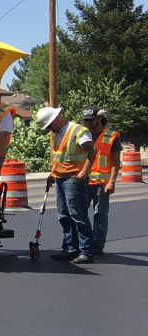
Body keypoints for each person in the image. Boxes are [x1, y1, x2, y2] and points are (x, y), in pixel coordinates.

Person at [34, 107, 97, 263]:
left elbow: (93, 149)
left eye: (49, 126)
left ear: (55, 119)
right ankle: (70, 249)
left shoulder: (77, 131)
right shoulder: (56, 134)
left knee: (78, 215)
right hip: (60, 178)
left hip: (74, 179)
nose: (49, 129)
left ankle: (87, 252)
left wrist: (85, 171)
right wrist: (52, 173)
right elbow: (60, 157)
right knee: (64, 215)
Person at [82, 107, 120, 255]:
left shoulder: (111, 136)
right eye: (86, 120)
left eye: (91, 120)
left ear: (99, 119)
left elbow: (116, 162)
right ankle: (83, 242)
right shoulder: (82, 134)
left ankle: (97, 243)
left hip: (102, 184)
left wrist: (112, 181)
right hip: (84, 181)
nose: (88, 123)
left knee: (100, 214)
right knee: (80, 214)